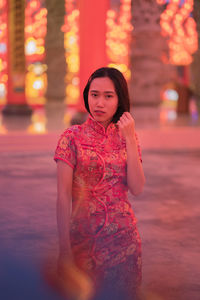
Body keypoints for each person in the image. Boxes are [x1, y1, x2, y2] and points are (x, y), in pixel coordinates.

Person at [54, 67, 145, 300]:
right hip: (84, 243)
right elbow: (63, 196)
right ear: (87, 96)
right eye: (94, 95)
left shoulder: (128, 137)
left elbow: (137, 188)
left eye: (108, 96)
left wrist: (130, 141)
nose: (100, 103)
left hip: (125, 243)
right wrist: (64, 249)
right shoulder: (71, 138)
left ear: (119, 100)